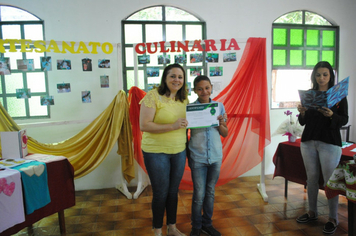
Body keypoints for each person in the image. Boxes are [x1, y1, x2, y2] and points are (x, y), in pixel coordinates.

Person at [296, 61, 348, 234]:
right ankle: (312, 212)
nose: (321, 78)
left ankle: (333, 218)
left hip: (329, 142)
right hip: (309, 140)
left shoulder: (339, 95)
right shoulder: (310, 94)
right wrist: (302, 112)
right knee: (311, 179)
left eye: (325, 74)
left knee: (329, 182)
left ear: (331, 76)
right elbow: (303, 122)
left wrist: (332, 115)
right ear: (314, 76)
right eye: (318, 74)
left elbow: (345, 119)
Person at [139, 63, 189, 236]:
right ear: (165, 78)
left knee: (173, 192)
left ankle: (172, 227)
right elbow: (144, 125)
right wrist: (173, 126)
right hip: (156, 152)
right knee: (160, 193)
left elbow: (192, 119)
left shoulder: (184, 98)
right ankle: (158, 230)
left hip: (178, 151)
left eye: (180, 77)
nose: (177, 80)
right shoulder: (152, 96)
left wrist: (215, 117)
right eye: (173, 76)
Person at [187, 75, 228, 236]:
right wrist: (187, 154)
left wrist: (220, 123)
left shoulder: (219, 106)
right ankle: (196, 227)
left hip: (216, 157)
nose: (204, 91)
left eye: (207, 88)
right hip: (197, 157)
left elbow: (225, 133)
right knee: (199, 194)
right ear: (195, 90)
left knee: (210, 192)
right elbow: (185, 133)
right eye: (200, 88)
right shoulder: (190, 108)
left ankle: (207, 224)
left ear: (211, 87)